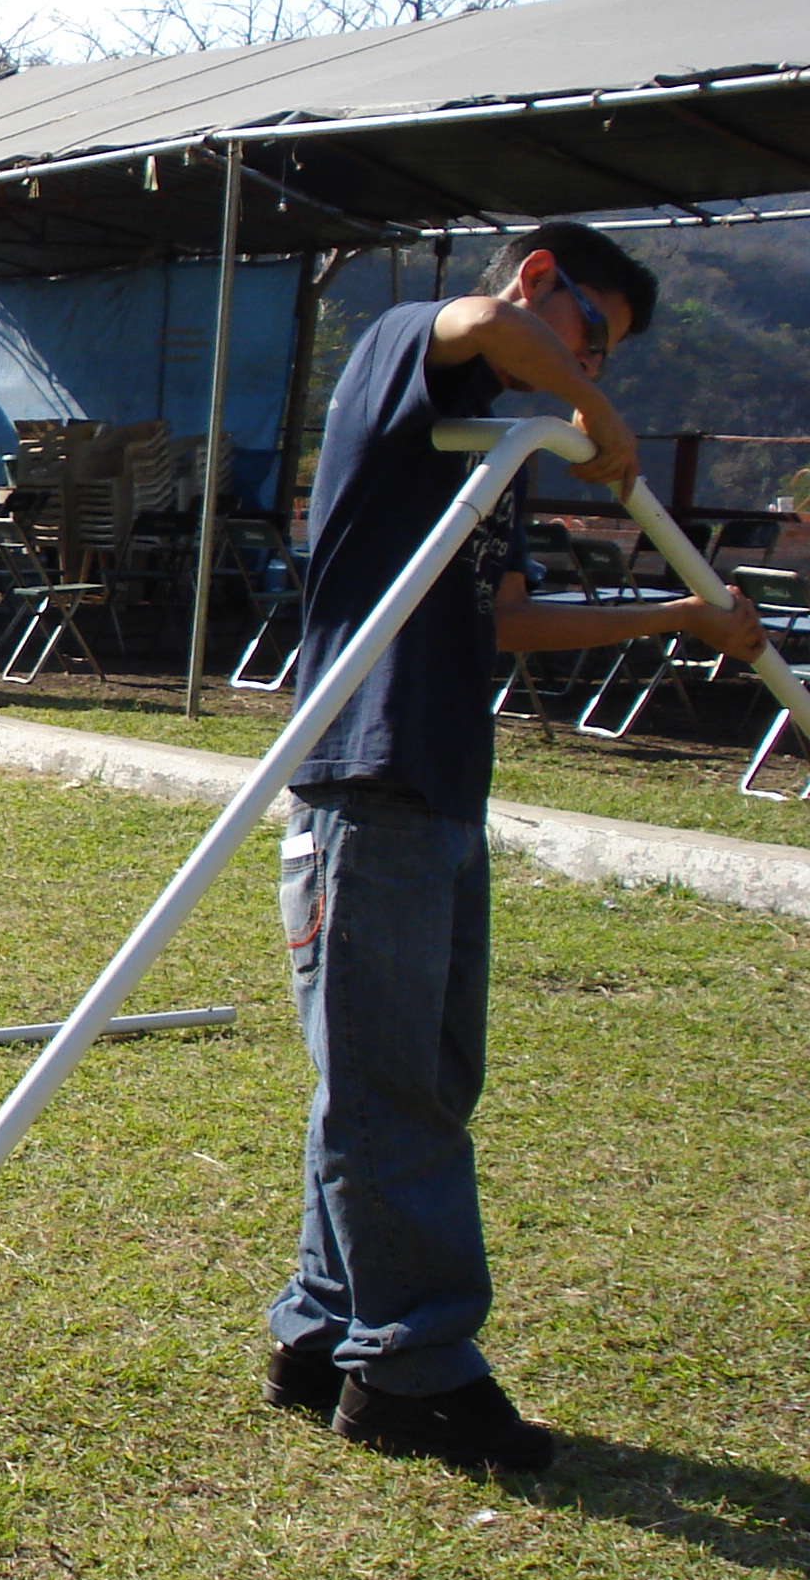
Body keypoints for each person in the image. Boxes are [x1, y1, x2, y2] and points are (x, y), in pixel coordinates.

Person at [265, 221, 766, 1471]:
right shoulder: (406, 356)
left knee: (417, 1082)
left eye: (604, 361)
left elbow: (507, 619)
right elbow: (487, 327)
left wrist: (682, 613)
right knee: (388, 1090)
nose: (590, 370)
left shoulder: (500, 444)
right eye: (592, 337)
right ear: (541, 280)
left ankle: (323, 1328)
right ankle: (416, 1371)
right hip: (365, 777)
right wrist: (593, 409)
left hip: (441, 783)